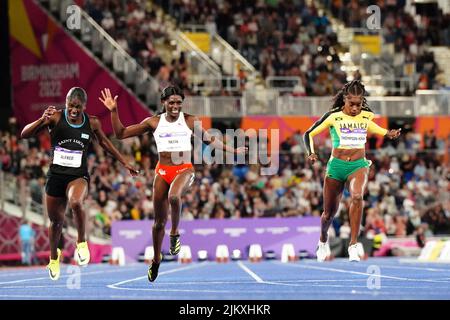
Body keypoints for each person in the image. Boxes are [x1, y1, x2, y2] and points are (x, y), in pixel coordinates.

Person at [99, 86, 246, 282]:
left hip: (184, 169)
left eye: (178, 102)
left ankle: (175, 233)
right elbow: (121, 134)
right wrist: (114, 111)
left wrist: (234, 151)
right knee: (158, 223)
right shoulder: (153, 122)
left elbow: (210, 141)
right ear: (163, 103)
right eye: (171, 102)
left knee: (174, 196)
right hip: (162, 171)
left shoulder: (190, 121)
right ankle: (156, 259)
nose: (175, 106)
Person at [21, 87, 138, 280]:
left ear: (84, 106)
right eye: (70, 106)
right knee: (56, 222)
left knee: (76, 202)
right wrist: (42, 119)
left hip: (78, 176)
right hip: (56, 177)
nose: (74, 110)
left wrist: (124, 162)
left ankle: (81, 242)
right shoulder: (56, 117)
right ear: (65, 103)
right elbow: (25, 134)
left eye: (78, 107)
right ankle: (53, 258)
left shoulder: (92, 122)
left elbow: (105, 143)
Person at [303, 80, 401, 262]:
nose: (355, 108)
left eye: (359, 104)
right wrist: (312, 153)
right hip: (336, 166)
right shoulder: (333, 116)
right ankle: (323, 241)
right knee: (328, 214)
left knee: (357, 196)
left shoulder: (367, 115)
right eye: (352, 104)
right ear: (345, 100)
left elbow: (370, 127)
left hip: (358, 165)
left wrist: (387, 133)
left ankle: (353, 245)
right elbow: (309, 134)